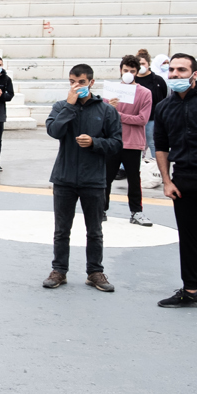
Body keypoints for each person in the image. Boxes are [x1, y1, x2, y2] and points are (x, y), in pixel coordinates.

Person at [41, 64, 122, 293]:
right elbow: (54, 131)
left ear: (91, 83)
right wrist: (69, 106)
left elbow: (117, 144)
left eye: (81, 82)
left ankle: (95, 271)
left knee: (94, 230)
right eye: (72, 82)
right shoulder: (61, 107)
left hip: (93, 179)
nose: (76, 86)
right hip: (64, 177)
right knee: (61, 230)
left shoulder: (107, 111)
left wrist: (95, 143)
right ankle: (59, 270)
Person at [153, 53, 197, 308]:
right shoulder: (164, 107)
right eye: (172, 70)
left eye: (181, 70)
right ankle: (190, 292)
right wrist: (166, 181)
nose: (175, 74)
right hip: (183, 181)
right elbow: (161, 147)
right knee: (189, 238)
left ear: (194, 74)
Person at [106, 55, 154, 227]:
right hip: (112, 141)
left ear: (137, 72)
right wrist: (109, 110)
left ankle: (136, 212)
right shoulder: (111, 91)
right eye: (126, 70)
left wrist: (117, 114)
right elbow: (104, 116)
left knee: (134, 179)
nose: (128, 74)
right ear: (121, 70)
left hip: (133, 142)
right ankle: (100, 210)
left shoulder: (145, 93)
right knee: (106, 178)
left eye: (132, 71)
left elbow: (142, 119)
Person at [135, 48, 168, 157]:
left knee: (153, 142)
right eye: (138, 64)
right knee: (135, 143)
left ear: (148, 64)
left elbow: (163, 96)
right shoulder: (132, 80)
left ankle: (157, 164)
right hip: (136, 117)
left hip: (152, 117)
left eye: (143, 63)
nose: (141, 66)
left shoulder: (158, 80)